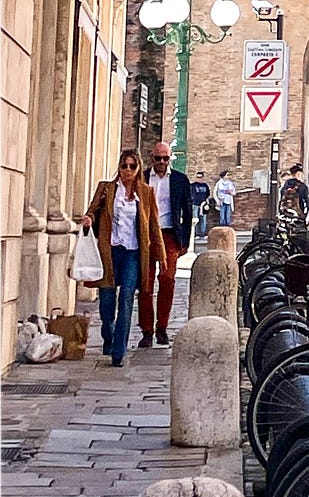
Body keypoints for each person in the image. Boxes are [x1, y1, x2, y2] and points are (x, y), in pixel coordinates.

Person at [83, 149, 162, 367]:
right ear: (119, 167)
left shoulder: (146, 193)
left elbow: (154, 226)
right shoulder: (107, 189)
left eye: (132, 166)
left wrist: (161, 256)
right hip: (110, 251)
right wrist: (89, 218)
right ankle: (108, 335)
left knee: (126, 296)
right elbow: (93, 210)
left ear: (138, 169)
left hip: (133, 253)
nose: (127, 170)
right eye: (124, 166)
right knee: (107, 301)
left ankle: (119, 350)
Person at [138, 141, 193, 349]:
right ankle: (146, 330)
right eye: (158, 158)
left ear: (170, 159)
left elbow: (187, 212)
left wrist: (185, 241)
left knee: (168, 278)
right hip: (146, 235)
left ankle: (162, 326)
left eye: (165, 158)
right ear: (152, 158)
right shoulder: (142, 178)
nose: (161, 162)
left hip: (169, 234)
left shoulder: (180, 180)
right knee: (145, 282)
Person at [190, 171, 212, 245]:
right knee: (195, 219)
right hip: (195, 204)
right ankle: (196, 233)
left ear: (202, 178)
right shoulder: (192, 185)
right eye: (197, 177)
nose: (199, 179)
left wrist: (205, 201)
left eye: (200, 177)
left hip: (203, 204)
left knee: (203, 219)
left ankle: (202, 234)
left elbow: (208, 194)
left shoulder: (205, 186)